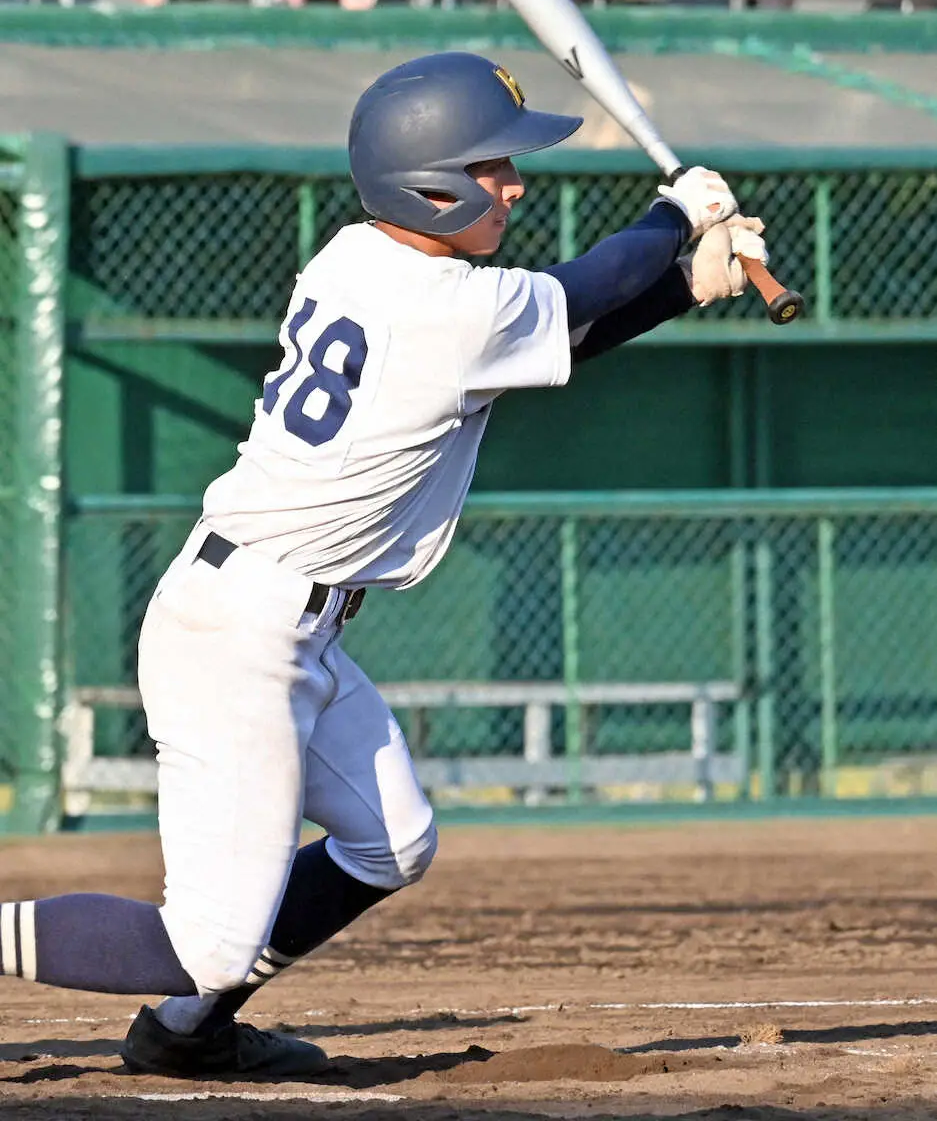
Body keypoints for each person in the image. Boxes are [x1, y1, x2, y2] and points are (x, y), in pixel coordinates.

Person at [0, 53, 767, 1080]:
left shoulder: (361, 258)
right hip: (240, 634)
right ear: (431, 185)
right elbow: (584, 289)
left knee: (391, 841)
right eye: (492, 165)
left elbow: (539, 336)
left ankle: (188, 1032)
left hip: (277, 615)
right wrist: (676, 221)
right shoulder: (448, 309)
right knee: (207, 940)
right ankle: (185, 997)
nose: (514, 183)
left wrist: (682, 284)